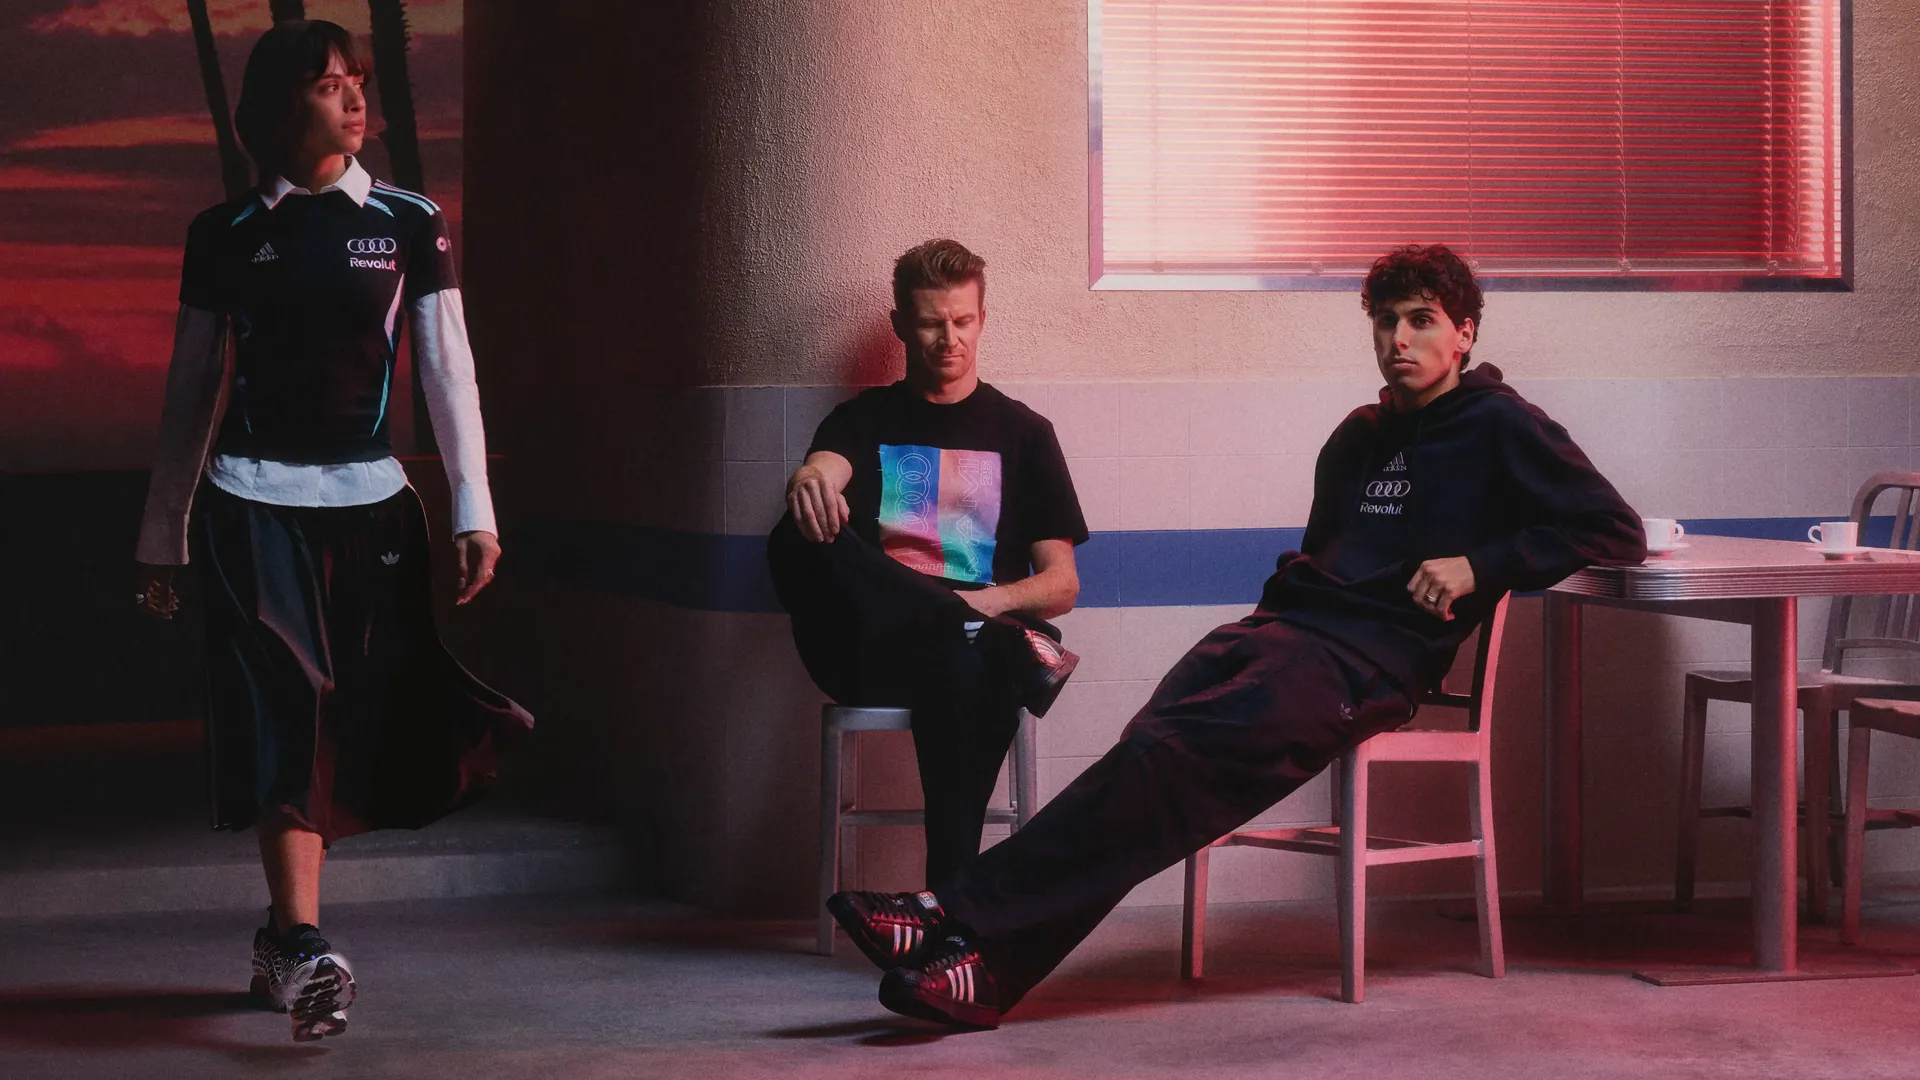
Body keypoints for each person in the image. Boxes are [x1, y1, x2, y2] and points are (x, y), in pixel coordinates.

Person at [825, 244, 1647, 1029]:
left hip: (1366, 665)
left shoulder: (1501, 425)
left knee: (1166, 767)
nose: (1400, 339)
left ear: (1465, 331)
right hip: (1280, 636)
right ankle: (985, 968)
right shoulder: (1358, 436)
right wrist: (1275, 621)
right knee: (1150, 753)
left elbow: (1613, 528)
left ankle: (948, 912)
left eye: (1424, 319)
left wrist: (1479, 563)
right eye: (1386, 320)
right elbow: (1329, 553)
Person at [132, 20, 531, 1042]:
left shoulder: (408, 221)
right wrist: (160, 537)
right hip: (249, 506)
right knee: (285, 707)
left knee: (357, 722)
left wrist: (474, 510)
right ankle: (307, 942)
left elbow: (449, 370)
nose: (354, 99)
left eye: (358, 80)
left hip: (370, 506)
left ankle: (281, 940)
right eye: (326, 84)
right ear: (276, 108)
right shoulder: (223, 235)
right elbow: (191, 390)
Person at [769, 240, 1088, 958]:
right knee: (790, 536)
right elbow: (827, 464)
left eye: (963, 322)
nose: (948, 339)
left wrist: (987, 604)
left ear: (982, 320)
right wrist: (811, 477)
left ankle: (947, 916)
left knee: (967, 667)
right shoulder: (867, 418)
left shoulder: (1024, 435)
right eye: (930, 323)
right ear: (898, 325)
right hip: (877, 650)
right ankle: (961, 627)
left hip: (967, 657)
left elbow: (1062, 584)